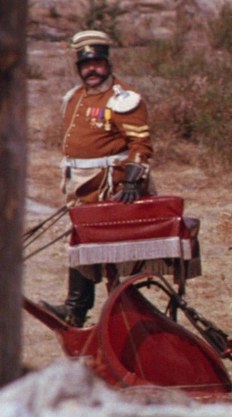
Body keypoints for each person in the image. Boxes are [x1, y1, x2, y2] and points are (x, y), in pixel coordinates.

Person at [41, 29, 155, 327]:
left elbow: (141, 144)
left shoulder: (123, 99)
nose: (92, 70)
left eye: (98, 63)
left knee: (105, 249)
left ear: (108, 63)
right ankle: (76, 310)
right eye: (86, 65)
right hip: (79, 184)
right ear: (78, 67)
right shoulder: (75, 97)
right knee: (81, 243)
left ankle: (118, 315)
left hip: (109, 185)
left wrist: (131, 180)